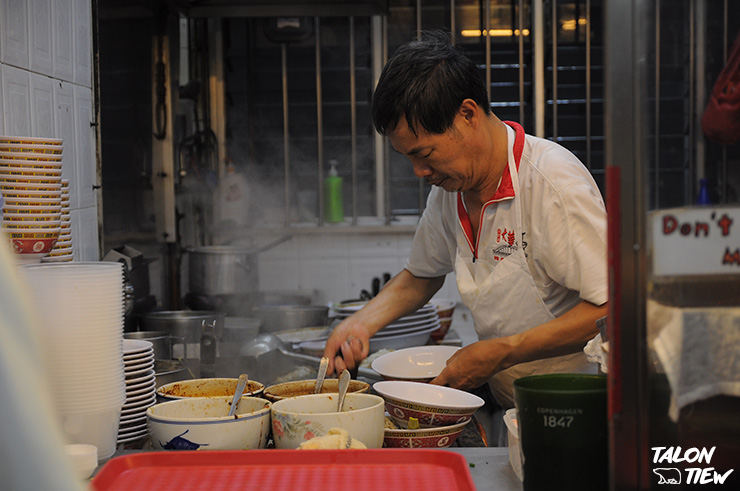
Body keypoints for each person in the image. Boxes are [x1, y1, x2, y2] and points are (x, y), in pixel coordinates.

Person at [323, 30, 608, 408]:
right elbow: (421, 276)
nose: (418, 172)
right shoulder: (450, 189)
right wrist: (359, 323)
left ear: (468, 115)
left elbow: (610, 308)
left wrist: (502, 352)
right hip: (515, 404)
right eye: (407, 157)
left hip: (579, 402)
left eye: (424, 153)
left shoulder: (552, 185)